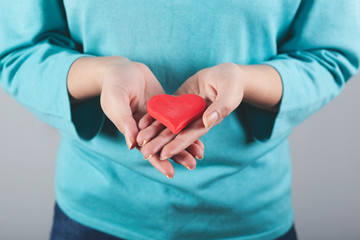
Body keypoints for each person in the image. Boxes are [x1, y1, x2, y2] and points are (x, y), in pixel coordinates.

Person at [0, 0, 359, 239]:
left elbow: (330, 54)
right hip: (91, 216)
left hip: (248, 220)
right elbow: (18, 50)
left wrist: (246, 81)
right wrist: (101, 73)